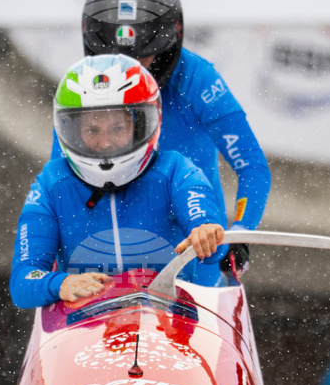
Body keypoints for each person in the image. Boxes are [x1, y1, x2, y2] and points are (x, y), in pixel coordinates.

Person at [51, 0, 271, 283]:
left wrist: (239, 232)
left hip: (191, 264)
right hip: (104, 270)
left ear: (167, 43)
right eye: (118, 58)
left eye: (141, 56)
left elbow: (251, 165)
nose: (131, 69)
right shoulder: (82, 89)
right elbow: (58, 179)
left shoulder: (198, 81)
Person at [11, 53, 227, 309]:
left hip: (168, 326)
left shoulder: (175, 170)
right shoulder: (51, 185)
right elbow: (24, 281)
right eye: (92, 130)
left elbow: (207, 228)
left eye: (117, 128)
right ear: (72, 130)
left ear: (141, 125)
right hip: (86, 331)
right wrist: (61, 284)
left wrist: (205, 229)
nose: (105, 143)